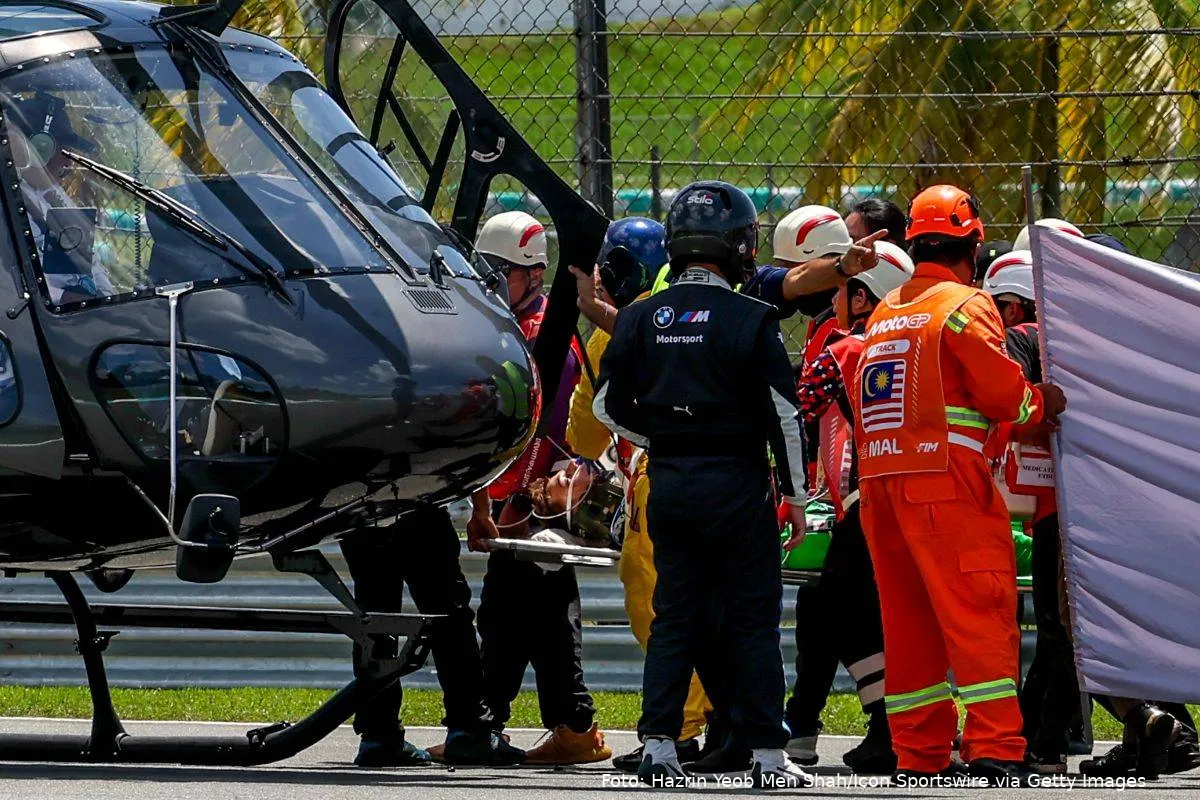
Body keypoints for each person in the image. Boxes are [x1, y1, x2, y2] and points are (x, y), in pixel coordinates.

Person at [593, 180, 811, 788]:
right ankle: (769, 758)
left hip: (670, 483)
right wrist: (794, 496)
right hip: (738, 486)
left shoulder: (638, 318)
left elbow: (607, 406)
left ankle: (659, 748)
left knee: (674, 617)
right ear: (737, 244)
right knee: (752, 623)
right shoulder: (752, 317)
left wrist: (665, 435)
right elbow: (785, 417)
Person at [851, 184, 1066, 786]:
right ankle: (996, 747)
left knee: (909, 625)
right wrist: (1039, 402)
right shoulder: (965, 305)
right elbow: (1000, 394)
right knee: (980, 611)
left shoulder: (887, 311)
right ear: (971, 247)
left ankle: (919, 754)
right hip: (944, 485)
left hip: (881, 488)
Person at [987, 245, 1200, 779]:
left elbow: (1011, 400)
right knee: (1109, 621)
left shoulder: (1027, 338)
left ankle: (1132, 727)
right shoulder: (1123, 343)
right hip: (1132, 502)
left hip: (1066, 507)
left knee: (1068, 628)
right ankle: (1144, 733)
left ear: (1014, 304)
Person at [566, 218, 723, 772]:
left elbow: (584, 437)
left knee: (656, 604)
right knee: (713, 604)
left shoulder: (615, 332)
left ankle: (679, 731)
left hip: (660, 481)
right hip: (723, 477)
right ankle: (720, 720)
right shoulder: (694, 313)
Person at [461, 211, 612, 766]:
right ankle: (535, 725)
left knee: (519, 613)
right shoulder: (509, 327)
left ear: (531, 274)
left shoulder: (546, 338)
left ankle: (508, 725)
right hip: (517, 497)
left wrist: (519, 503)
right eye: (483, 270)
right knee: (521, 613)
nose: (488, 282)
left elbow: (546, 430)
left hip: (540, 500)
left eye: (498, 272)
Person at [784, 240, 913, 776]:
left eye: (840, 291)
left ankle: (874, 728)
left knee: (833, 610)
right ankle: (810, 726)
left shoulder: (845, 351)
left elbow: (795, 405)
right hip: (911, 501)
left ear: (861, 299)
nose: (833, 300)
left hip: (865, 505)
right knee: (834, 609)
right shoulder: (912, 346)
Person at [338, 505, 517, 767]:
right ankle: (469, 730)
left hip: (361, 512)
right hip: (418, 505)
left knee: (375, 621)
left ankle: (378, 735)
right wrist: (481, 509)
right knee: (448, 616)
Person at [7, 90, 116, 304]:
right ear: (40, 148)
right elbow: (12, 283)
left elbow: (89, 260)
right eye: (64, 151)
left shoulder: (47, 195)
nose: (69, 163)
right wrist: (65, 299)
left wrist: (45, 183)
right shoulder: (11, 203)